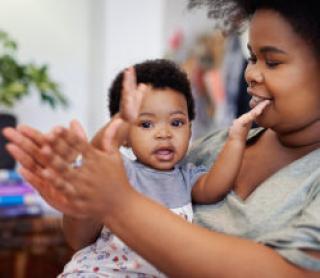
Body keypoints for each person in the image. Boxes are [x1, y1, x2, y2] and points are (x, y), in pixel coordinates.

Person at [3, 0, 320, 276]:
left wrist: (120, 204)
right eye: (252, 57)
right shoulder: (213, 146)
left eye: (273, 61)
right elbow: (81, 238)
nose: (250, 74)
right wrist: (88, 189)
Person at [3, 58, 267, 277]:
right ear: (125, 135)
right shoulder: (122, 170)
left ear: (190, 127)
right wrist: (120, 121)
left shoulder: (186, 177)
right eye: (146, 124)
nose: (164, 133)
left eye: (176, 123)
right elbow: (100, 152)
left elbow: (215, 187)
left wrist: (235, 139)